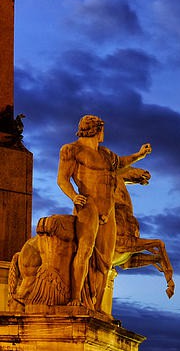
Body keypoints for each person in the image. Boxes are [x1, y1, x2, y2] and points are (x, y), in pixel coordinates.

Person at [56, 115, 151, 311]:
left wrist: (140, 154)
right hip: (88, 205)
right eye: (102, 130)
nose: (103, 134)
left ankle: (97, 307)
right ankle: (75, 298)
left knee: (106, 261)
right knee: (85, 250)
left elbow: (122, 162)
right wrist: (74, 196)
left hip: (108, 210)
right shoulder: (71, 149)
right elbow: (62, 179)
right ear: (96, 130)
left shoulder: (106, 154)